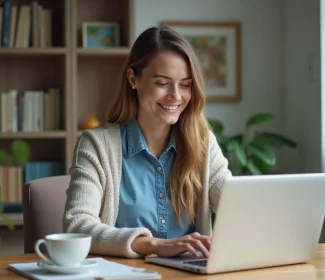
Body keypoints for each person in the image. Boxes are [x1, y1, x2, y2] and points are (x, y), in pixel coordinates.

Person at [63, 26, 232, 259]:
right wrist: (154, 245)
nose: (176, 95)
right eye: (162, 83)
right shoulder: (96, 145)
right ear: (133, 79)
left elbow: (236, 210)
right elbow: (77, 226)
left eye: (185, 84)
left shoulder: (203, 143)